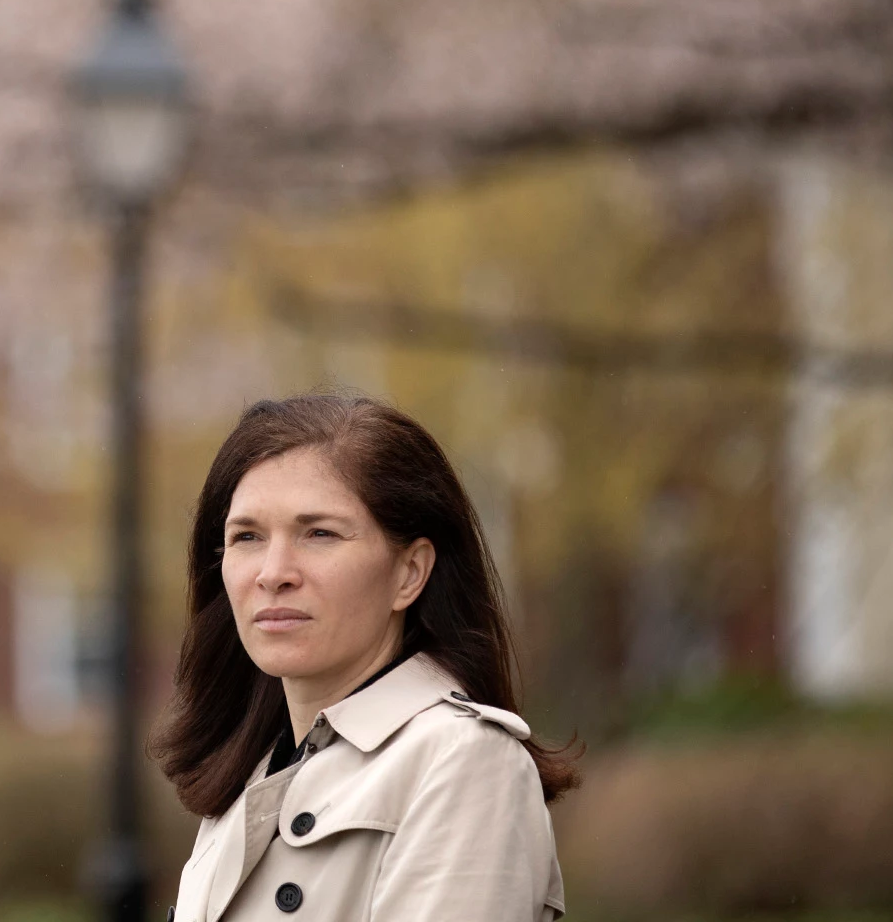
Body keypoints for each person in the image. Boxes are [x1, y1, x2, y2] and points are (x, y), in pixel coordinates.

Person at [152, 394, 580, 922]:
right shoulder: (253, 775)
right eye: (247, 536)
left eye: (320, 533)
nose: (273, 572)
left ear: (410, 573)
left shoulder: (463, 762)